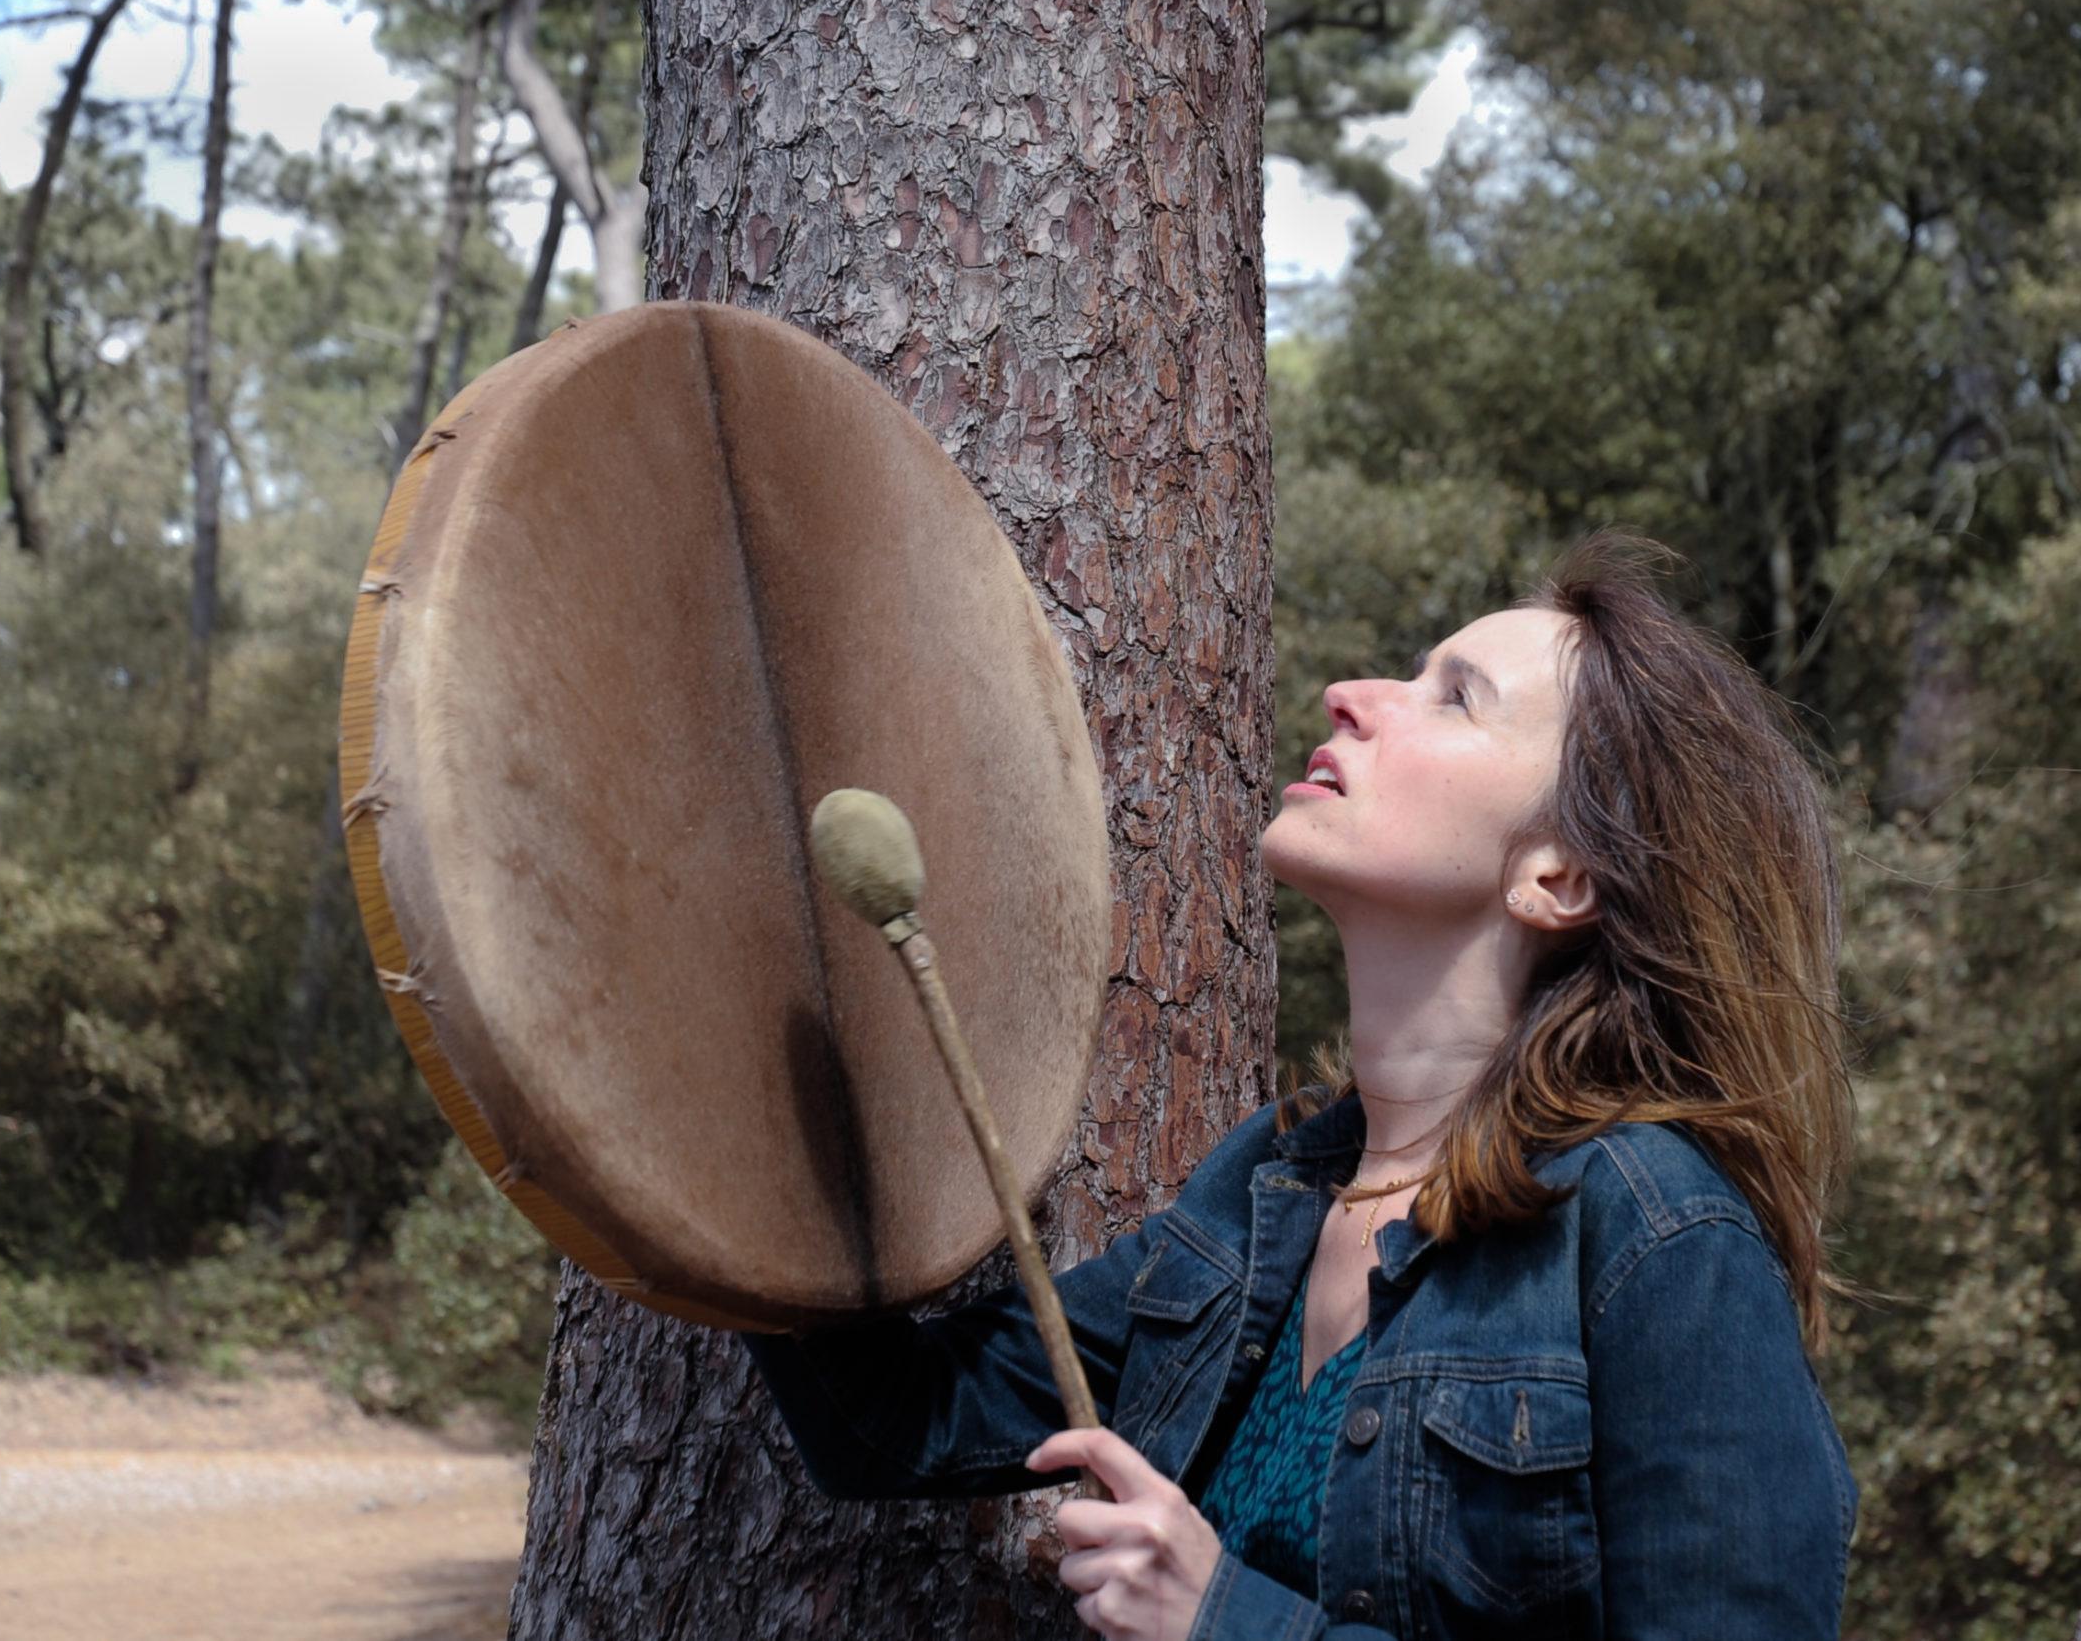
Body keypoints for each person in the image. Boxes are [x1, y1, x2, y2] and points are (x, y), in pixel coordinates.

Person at [741, 526, 1860, 1639]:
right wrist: (702, 1089)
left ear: (1556, 875)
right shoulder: (1264, 1191)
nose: (1350, 695)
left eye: (1452, 698)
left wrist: (1222, 1617)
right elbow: (895, 1419)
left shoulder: (1655, 1236)